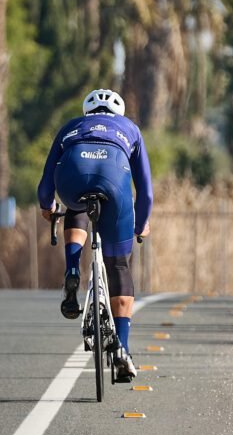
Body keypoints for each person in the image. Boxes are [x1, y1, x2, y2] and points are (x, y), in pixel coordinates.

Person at [37, 89, 153, 382]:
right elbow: (146, 192)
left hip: (72, 175)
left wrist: (48, 206)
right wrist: (140, 225)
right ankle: (123, 350)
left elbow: (46, 181)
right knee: (119, 266)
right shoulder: (131, 130)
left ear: (87, 112)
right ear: (119, 113)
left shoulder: (70, 127)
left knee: (75, 204)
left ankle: (73, 268)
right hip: (114, 178)